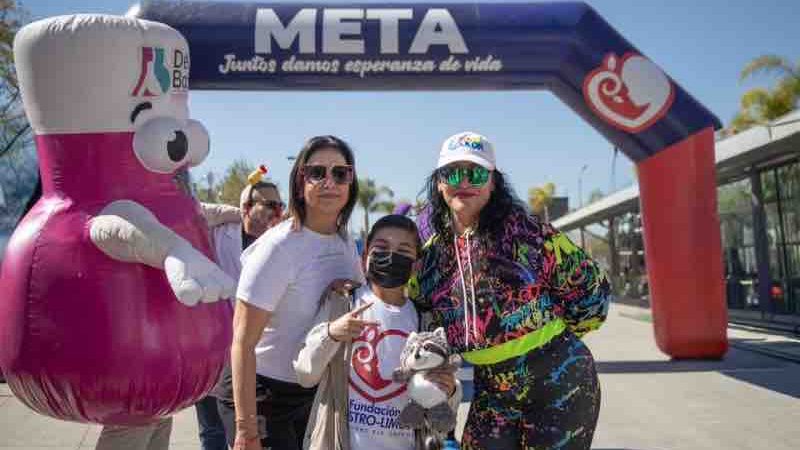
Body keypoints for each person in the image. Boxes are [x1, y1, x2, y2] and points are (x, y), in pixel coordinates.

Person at [412, 132, 611, 450]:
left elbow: (592, 294)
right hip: (490, 385)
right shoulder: (428, 253)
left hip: (560, 380)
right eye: (452, 172)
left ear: (493, 183)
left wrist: (549, 340)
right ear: (438, 182)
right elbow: (416, 307)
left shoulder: (530, 234)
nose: (464, 181)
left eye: (476, 173)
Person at [229, 136, 364, 450]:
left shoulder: (345, 241)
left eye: (340, 173)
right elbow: (242, 342)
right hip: (265, 397)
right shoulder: (278, 247)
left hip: (317, 392)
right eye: (317, 172)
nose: (329, 182)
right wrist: (246, 429)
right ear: (300, 181)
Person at [293, 215, 462, 450]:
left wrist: (451, 390)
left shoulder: (426, 321)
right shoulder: (341, 303)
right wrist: (332, 334)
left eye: (403, 250)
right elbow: (305, 374)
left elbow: (444, 411)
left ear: (416, 266)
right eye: (381, 248)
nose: (391, 256)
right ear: (365, 257)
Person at [199, 176, 285, 450]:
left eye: (279, 205)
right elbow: (190, 210)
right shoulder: (220, 232)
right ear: (247, 207)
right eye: (268, 204)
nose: (276, 211)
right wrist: (235, 212)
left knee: (247, 432)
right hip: (212, 346)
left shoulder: (280, 243)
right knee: (211, 431)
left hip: (255, 354)